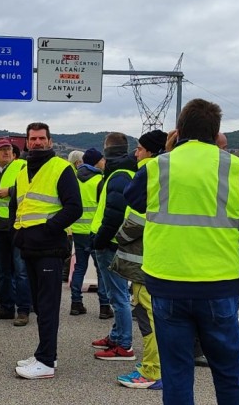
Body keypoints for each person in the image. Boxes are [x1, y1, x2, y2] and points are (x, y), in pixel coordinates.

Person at [124, 98, 239, 405]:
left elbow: (132, 201)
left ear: (180, 129)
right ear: (217, 130)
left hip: (167, 286)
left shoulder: (158, 167)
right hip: (219, 287)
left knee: (177, 377)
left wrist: (168, 154)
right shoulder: (236, 169)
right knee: (229, 376)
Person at [10, 122, 82, 380]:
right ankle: (44, 351)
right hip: (29, 246)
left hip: (50, 247)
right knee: (40, 305)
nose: (37, 142)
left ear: (50, 141)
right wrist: (17, 233)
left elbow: (74, 207)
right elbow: (17, 206)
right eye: (33, 138)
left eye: (42, 138)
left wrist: (48, 229)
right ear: (27, 142)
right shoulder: (22, 170)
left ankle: (46, 361)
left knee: (49, 305)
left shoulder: (61, 168)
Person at [112, 130, 167, 389]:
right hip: (158, 257)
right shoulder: (167, 172)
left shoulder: (149, 173)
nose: (135, 153)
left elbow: (137, 219)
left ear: (150, 151)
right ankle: (155, 364)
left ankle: (152, 370)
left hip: (145, 259)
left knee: (148, 314)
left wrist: (118, 237)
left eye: (140, 148)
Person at [89, 133, 138, 362]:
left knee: (118, 296)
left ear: (106, 149)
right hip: (112, 241)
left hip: (110, 243)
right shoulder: (122, 172)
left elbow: (114, 215)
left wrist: (99, 240)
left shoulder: (118, 175)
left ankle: (124, 344)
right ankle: (117, 335)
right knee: (114, 294)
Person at [0, 138, 26, 320]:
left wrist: (10, 191)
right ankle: (6, 307)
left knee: (21, 270)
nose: (6, 152)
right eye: (2, 149)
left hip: (17, 224)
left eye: (8, 149)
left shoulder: (22, 166)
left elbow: (31, 187)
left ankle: (24, 310)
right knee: (2, 272)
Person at [69, 147, 106, 317]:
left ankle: (76, 303)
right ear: (96, 162)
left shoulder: (74, 179)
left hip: (78, 230)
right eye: (102, 159)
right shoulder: (100, 180)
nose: (104, 162)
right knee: (101, 269)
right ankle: (104, 306)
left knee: (80, 267)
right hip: (95, 231)